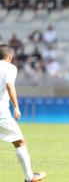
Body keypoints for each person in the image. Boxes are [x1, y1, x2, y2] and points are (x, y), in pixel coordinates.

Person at [0, 44, 46, 182]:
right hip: (1, 112)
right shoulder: (10, 67)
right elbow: (9, 85)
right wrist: (16, 107)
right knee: (19, 142)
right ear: (10, 56)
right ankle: (30, 177)